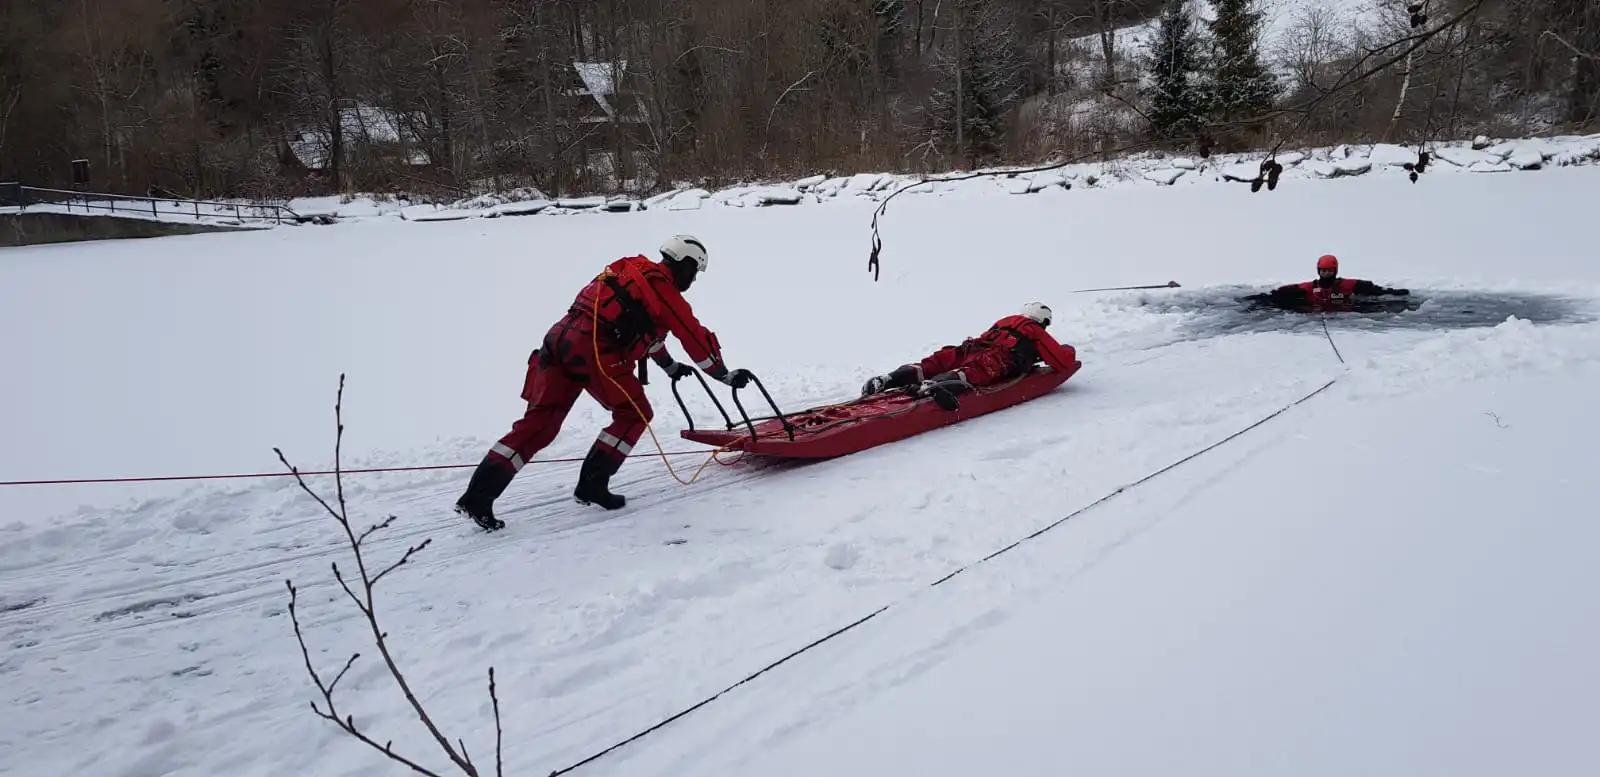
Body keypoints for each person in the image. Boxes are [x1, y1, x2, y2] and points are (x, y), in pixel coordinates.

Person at [453, 234, 752, 531]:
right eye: (694, 272)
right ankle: (593, 484)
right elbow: (692, 334)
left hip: (558, 342)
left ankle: (477, 497)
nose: (694, 281)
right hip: (595, 350)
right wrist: (723, 374)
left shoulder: (632, 271)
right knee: (635, 413)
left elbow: (642, 330)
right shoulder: (664, 291)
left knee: (539, 426)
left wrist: (669, 366)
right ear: (685, 264)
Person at [859, 302, 1078, 411]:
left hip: (974, 346)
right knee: (976, 370)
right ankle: (939, 385)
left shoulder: (1006, 320)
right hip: (999, 356)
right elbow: (1061, 360)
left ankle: (891, 378)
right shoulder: (1033, 329)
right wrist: (1068, 350)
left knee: (938, 361)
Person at [1263, 254, 1410, 311]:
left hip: (1342, 312)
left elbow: (1373, 289)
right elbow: (1284, 291)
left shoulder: (1346, 285)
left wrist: (1392, 292)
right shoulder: (1310, 287)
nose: (1325, 274)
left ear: (1335, 271)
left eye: (1329, 271)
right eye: (1323, 271)